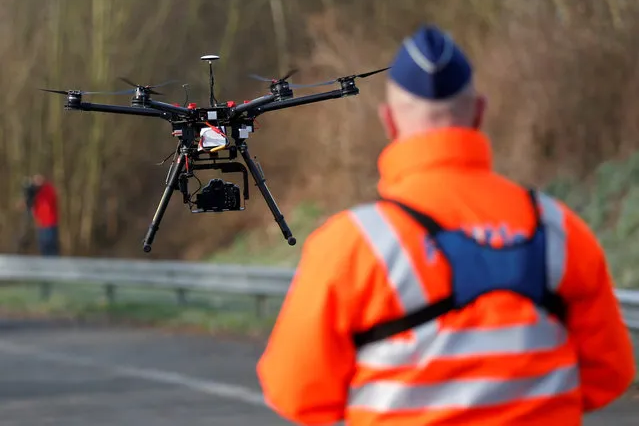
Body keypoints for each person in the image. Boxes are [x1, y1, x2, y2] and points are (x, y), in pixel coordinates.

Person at [256, 25, 636, 426]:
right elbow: (608, 375)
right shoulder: (559, 230)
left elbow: (297, 394)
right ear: (480, 112)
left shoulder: (353, 244)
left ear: (389, 122)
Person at [18, 174, 60, 256]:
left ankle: (53, 263)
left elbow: (47, 203)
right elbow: (30, 203)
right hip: (41, 223)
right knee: (43, 246)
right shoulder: (37, 192)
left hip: (50, 223)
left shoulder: (48, 189)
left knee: (50, 245)